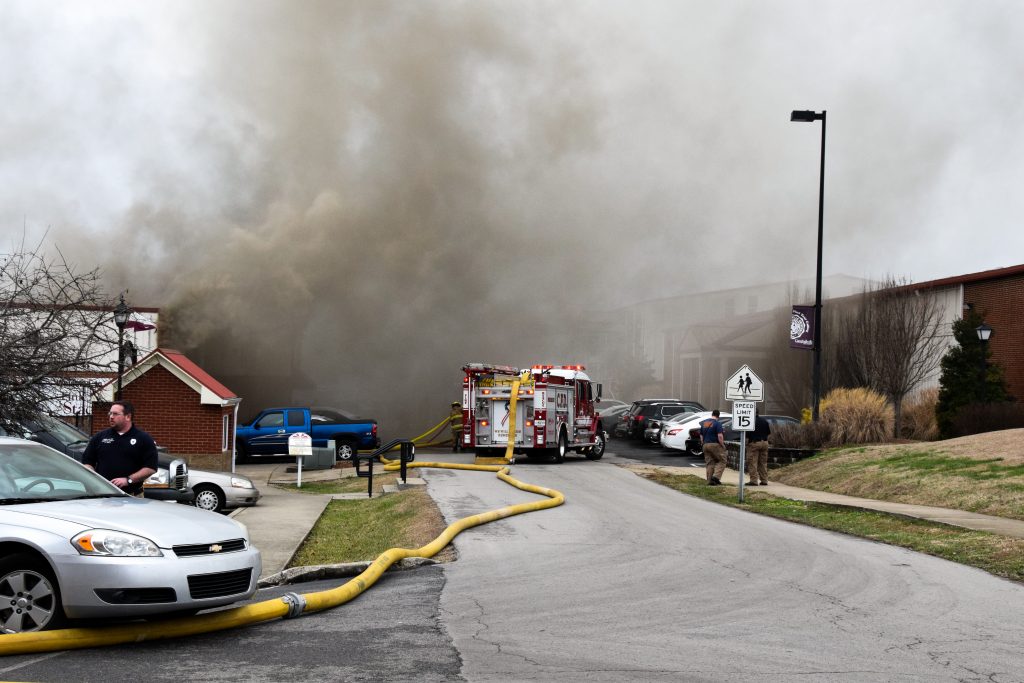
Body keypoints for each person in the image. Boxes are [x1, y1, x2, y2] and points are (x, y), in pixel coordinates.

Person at [82, 400, 158, 497]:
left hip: (132, 496)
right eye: (110, 413)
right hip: (103, 496)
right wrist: (95, 479)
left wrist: (128, 480)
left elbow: (151, 467)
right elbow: (87, 461)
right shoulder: (100, 437)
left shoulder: (143, 438)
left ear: (128, 416)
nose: (111, 417)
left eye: (115, 414)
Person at [700, 409, 726, 485]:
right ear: (718, 416)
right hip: (714, 444)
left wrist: (703, 443)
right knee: (722, 460)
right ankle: (716, 477)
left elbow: (701, 435)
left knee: (710, 463)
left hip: (705, 445)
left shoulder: (705, 423)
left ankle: (709, 481)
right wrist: (722, 445)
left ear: (712, 414)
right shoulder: (717, 424)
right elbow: (720, 436)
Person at [746, 415, 772, 486]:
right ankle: (764, 480)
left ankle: (754, 481)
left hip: (754, 443)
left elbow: (747, 434)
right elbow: (768, 432)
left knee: (752, 462)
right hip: (765, 443)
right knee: (763, 463)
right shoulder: (764, 421)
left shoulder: (750, 421)